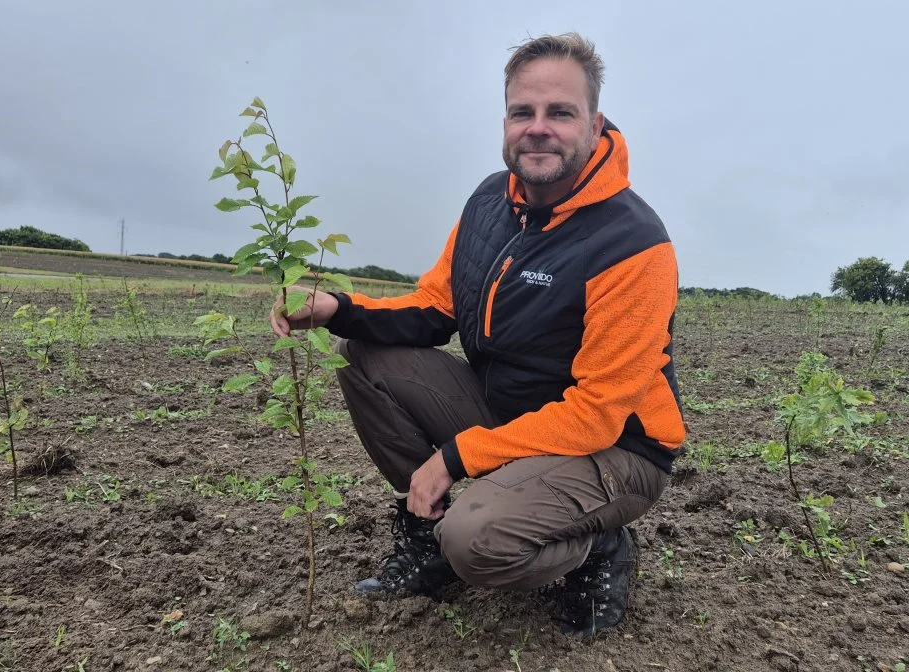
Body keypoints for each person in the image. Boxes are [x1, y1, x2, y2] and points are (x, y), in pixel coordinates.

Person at [269, 32, 687, 638]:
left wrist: (456, 457)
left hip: (614, 449)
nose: (538, 128)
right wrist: (337, 307)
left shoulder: (632, 244)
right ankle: (431, 531)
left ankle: (598, 545)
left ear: (594, 124)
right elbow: (435, 306)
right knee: (363, 355)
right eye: (524, 112)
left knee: (477, 538)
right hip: (514, 417)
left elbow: (597, 414)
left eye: (560, 112)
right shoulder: (491, 201)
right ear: (506, 120)